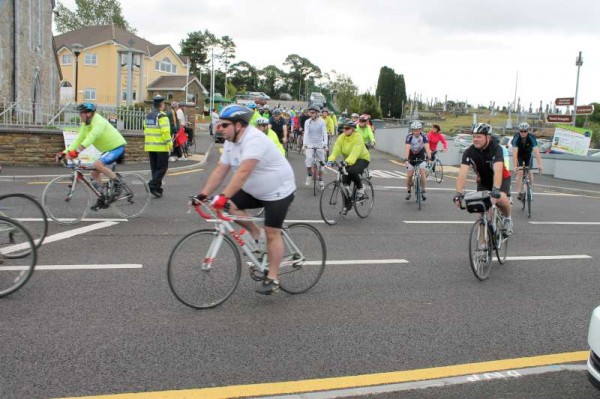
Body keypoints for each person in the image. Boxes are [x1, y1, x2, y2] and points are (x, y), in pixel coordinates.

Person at [193, 104, 296, 295]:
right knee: (231, 207)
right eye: (219, 125)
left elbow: (243, 172)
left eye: (224, 125)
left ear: (239, 125)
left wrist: (223, 196)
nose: (219, 129)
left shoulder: (254, 140)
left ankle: (273, 278)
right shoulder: (231, 142)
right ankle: (256, 235)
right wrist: (203, 194)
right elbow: (220, 170)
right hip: (254, 189)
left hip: (278, 190)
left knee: (272, 232)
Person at [61, 102, 127, 209]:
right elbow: (79, 139)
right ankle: (104, 197)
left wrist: (76, 152)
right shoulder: (85, 124)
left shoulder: (99, 122)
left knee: (97, 164)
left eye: (81, 113)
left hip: (117, 147)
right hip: (106, 150)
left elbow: (91, 138)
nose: (79, 115)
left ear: (88, 114)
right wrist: (65, 152)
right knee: (94, 175)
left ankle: (119, 183)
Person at [453, 123, 513, 235]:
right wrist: (458, 193)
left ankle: (507, 219)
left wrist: (496, 189)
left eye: (479, 136)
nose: (475, 139)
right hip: (484, 181)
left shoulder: (496, 149)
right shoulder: (469, 152)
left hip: (501, 178)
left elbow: (498, 170)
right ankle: (482, 247)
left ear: (488, 137)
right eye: (474, 136)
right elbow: (462, 174)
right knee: (481, 213)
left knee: (501, 198)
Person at [327, 120, 370, 214]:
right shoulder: (341, 137)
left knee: (353, 171)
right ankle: (347, 205)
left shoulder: (358, 137)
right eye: (344, 128)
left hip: (362, 158)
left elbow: (355, 152)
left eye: (347, 128)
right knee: (345, 182)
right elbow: (336, 150)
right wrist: (330, 160)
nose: (345, 130)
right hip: (349, 160)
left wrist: (346, 162)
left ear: (353, 129)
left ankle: (360, 188)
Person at [144, 94, 172, 198]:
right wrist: (170, 143)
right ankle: (152, 185)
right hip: (161, 146)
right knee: (163, 168)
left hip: (150, 146)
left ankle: (157, 189)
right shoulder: (162, 116)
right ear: (161, 105)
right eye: (163, 103)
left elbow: (145, 129)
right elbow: (165, 132)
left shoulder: (148, 115)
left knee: (155, 169)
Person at [512, 122, 543, 200]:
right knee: (520, 172)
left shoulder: (531, 137)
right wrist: (515, 166)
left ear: (528, 131)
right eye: (521, 131)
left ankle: (530, 189)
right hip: (519, 155)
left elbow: (536, 152)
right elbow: (515, 154)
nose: (523, 133)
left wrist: (540, 165)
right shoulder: (516, 138)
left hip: (528, 155)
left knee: (530, 172)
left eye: (525, 131)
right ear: (519, 131)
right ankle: (519, 192)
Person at [404, 121, 432, 201]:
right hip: (411, 155)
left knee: (422, 172)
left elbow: (427, 147)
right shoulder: (409, 137)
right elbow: (407, 148)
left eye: (418, 130)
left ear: (420, 130)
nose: (416, 132)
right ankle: (408, 191)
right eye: (414, 130)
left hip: (420, 154)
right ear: (412, 130)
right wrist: (406, 159)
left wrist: (429, 158)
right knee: (409, 175)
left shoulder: (424, 136)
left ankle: (423, 191)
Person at [303, 105, 328, 188]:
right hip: (310, 143)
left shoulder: (322, 122)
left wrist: (325, 144)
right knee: (309, 158)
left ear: (317, 113)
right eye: (309, 112)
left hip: (320, 143)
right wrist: (305, 144)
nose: (310, 114)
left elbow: (325, 133)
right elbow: (306, 133)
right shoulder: (307, 122)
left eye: (312, 113)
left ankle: (320, 179)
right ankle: (309, 174)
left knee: (321, 162)